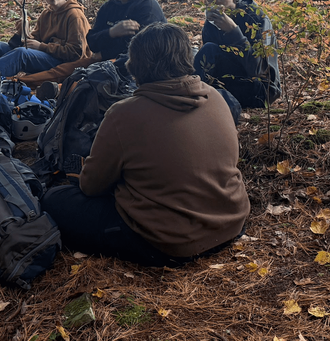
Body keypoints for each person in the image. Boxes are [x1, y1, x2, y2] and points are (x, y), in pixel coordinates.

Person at [42, 23, 250, 267]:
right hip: (233, 223)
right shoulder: (215, 97)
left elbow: (91, 187)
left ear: (136, 64)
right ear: (187, 57)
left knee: (55, 199)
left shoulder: (123, 113)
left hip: (168, 243)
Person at [194, 0, 281, 109]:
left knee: (209, 50)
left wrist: (233, 31)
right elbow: (209, 66)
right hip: (232, 81)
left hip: (262, 90)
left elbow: (257, 69)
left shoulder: (255, 17)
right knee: (204, 51)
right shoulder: (211, 22)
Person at [0, 0, 92, 77]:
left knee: (21, 54)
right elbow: (34, 41)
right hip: (46, 55)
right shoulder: (46, 14)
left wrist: (41, 47)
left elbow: (76, 53)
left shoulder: (74, 15)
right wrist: (23, 32)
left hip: (65, 63)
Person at [86, 0, 166, 61]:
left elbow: (143, 48)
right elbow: (92, 42)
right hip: (104, 62)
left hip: (141, 65)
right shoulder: (107, 8)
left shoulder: (148, 6)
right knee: (68, 71)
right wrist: (112, 32)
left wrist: (104, 54)